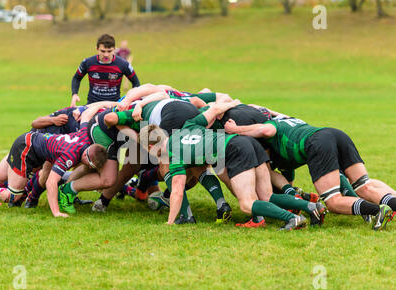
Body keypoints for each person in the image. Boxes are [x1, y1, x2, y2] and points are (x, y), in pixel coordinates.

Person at [140, 104, 326, 229]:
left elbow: (178, 192)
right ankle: (311, 207)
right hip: (248, 141)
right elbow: (214, 109)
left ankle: (292, 219)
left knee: (246, 204)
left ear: (150, 147)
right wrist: (231, 103)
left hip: (235, 149)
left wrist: (170, 223)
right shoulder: (188, 125)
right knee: (266, 196)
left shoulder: (174, 154)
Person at [224, 116, 395, 231]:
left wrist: (236, 128)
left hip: (317, 143)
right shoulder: (289, 119)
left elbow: (265, 131)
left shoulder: (272, 126)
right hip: (336, 134)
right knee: (365, 186)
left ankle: (377, 210)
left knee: (333, 202)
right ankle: (388, 206)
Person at [0, 108, 108, 218]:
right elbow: (52, 182)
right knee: (14, 195)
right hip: (27, 149)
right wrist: (56, 212)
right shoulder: (71, 155)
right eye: (90, 165)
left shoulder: (85, 137)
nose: (87, 167)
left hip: (28, 140)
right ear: (87, 158)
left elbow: (86, 115)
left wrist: (107, 104)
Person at [70, 34, 140, 107]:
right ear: (97, 49)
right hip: (91, 105)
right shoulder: (88, 62)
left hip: (113, 107)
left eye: (109, 51)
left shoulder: (123, 64)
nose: (106, 55)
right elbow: (77, 78)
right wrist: (74, 94)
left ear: (115, 49)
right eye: (103, 51)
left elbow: (136, 83)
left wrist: (130, 98)